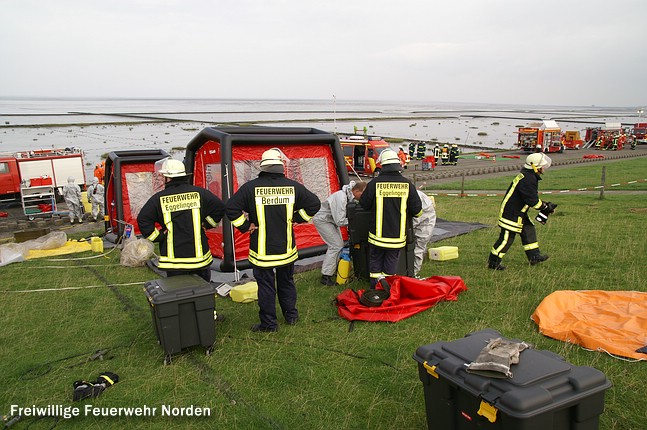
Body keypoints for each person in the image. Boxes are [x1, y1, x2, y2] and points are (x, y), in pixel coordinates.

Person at [226, 148, 321, 332]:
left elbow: (231, 209)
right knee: (287, 283)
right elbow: (314, 204)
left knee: (266, 287)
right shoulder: (293, 187)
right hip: (286, 251)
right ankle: (291, 316)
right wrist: (297, 218)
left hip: (262, 254)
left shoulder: (250, 188)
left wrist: (245, 226)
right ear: (280, 167)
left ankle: (269, 324)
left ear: (262, 167)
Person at [137, 158, 225, 282]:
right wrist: (206, 224)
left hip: (174, 262)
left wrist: (159, 236)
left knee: (179, 294)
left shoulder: (158, 198)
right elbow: (220, 208)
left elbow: (143, 219)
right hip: (199, 259)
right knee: (202, 291)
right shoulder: (200, 193)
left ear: (167, 178)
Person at [359, 149, 422, 287]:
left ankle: (375, 289)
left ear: (382, 165)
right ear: (397, 165)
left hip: (376, 237)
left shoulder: (374, 184)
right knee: (391, 264)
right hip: (396, 237)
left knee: (375, 262)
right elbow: (417, 211)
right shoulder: (407, 185)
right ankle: (388, 290)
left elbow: (363, 205)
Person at [488, 152, 553, 270]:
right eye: (542, 165)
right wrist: (544, 207)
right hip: (512, 213)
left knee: (528, 230)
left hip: (519, 212)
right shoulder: (529, 179)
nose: (544, 168)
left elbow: (530, 197)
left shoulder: (528, 175)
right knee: (507, 239)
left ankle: (534, 256)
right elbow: (532, 200)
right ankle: (493, 262)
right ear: (535, 166)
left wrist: (544, 206)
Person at [313, 180, 367, 286]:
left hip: (330, 220)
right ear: (356, 190)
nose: (363, 197)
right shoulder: (341, 197)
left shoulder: (348, 196)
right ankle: (326, 276)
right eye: (362, 194)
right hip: (323, 220)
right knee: (336, 246)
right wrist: (357, 221)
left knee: (339, 245)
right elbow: (340, 221)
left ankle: (331, 270)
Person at [412, 189, 437, 278]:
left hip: (425, 217)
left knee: (419, 247)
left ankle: (412, 275)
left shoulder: (412, 195)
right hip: (418, 213)